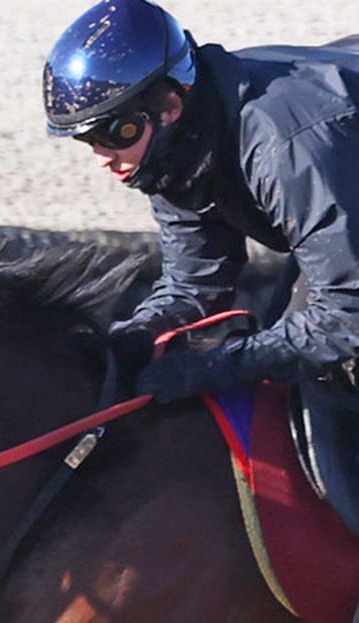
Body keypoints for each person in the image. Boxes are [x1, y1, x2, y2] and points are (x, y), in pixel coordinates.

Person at [42, 0, 359, 537]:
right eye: (86, 140)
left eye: (114, 133)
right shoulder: (175, 148)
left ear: (170, 102)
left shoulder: (285, 146)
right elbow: (196, 279)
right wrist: (135, 337)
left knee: (331, 380)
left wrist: (221, 365)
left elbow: (348, 317)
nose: (101, 156)